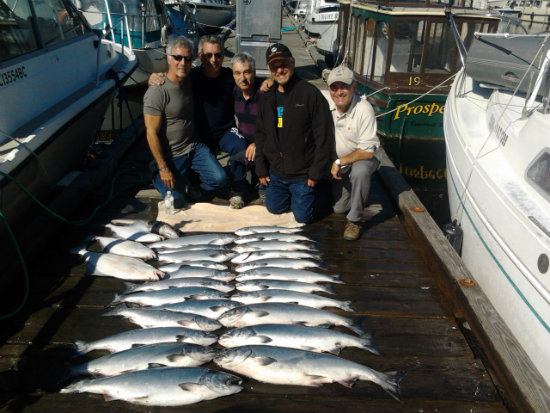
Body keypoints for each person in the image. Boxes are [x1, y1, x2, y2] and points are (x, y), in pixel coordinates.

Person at [143, 36, 227, 210]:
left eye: (188, 59)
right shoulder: (157, 91)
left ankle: (188, 180)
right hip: (171, 156)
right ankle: (157, 174)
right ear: (168, 58)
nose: (183, 63)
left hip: (194, 147)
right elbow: (150, 132)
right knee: (176, 202)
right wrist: (163, 167)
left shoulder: (190, 79)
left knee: (220, 179)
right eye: (177, 57)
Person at [254, 43, 333, 224]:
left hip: (303, 174)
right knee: (274, 208)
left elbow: (323, 138)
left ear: (293, 62)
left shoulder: (310, 94)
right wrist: (261, 168)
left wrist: (315, 173)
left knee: (302, 217)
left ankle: (320, 190)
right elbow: (260, 135)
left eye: (284, 64)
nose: (280, 70)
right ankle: (296, 196)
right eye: (274, 66)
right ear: (269, 69)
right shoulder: (266, 97)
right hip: (277, 172)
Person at [325, 65, 380, 241]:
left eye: (344, 86)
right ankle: (359, 192)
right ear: (328, 88)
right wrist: (269, 82)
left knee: (361, 171)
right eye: (334, 87)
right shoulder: (325, 99)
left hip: (362, 158)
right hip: (340, 163)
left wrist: (339, 162)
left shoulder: (364, 109)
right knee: (338, 208)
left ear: (354, 87)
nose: (339, 92)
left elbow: (366, 152)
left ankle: (355, 219)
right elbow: (297, 91)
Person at [230, 51, 266, 202]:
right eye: (237, 73)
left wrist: (258, 142)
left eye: (247, 72)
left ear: (254, 72)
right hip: (245, 142)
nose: (242, 78)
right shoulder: (234, 92)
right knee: (235, 156)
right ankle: (239, 189)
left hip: (265, 143)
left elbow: (279, 125)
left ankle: (262, 185)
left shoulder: (265, 92)